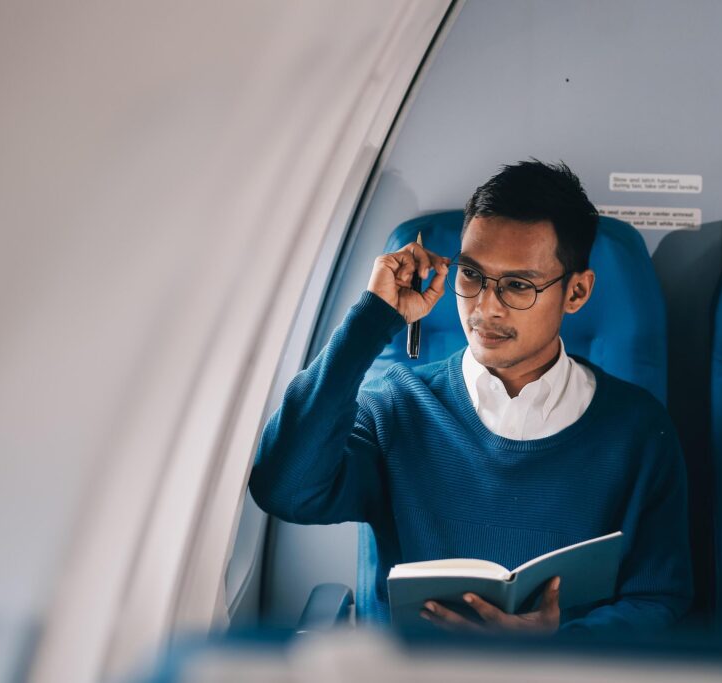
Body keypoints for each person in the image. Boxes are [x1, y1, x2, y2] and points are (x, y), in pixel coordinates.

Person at [249, 160, 692, 634]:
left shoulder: (639, 430)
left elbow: (657, 601)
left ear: (577, 292)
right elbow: (285, 489)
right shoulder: (398, 405)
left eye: (518, 285)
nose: (485, 306)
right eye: (471, 275)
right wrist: (371, 321)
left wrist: (557, 646)